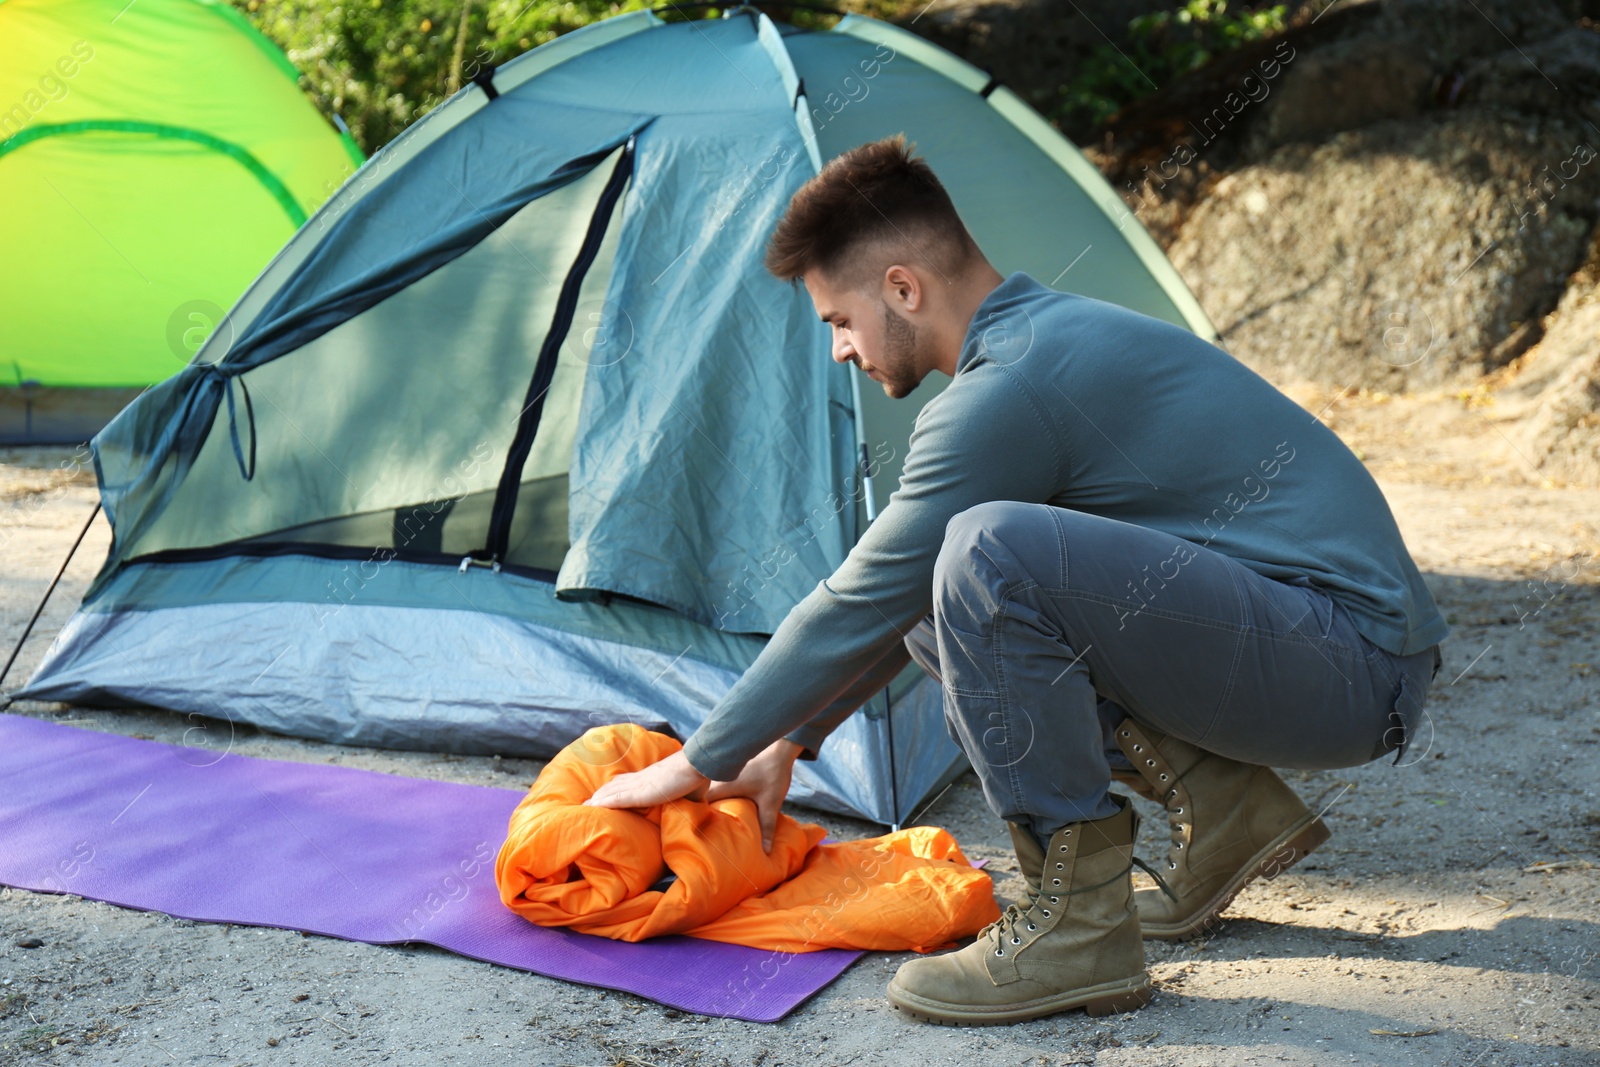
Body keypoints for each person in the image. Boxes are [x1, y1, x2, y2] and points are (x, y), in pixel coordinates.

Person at [585, 135, 1447, 1025]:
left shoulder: (1012, 386)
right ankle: (1227, 813)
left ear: (904, 288)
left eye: (839, 320)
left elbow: (859, 591)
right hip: (1331, 645)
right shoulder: (1040, 338)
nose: (840, 349)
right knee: (945, 595)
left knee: (983, 552)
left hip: (1348, 657)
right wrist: (788, 741)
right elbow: (902, 598)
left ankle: (1077, 928)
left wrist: (699, 757)